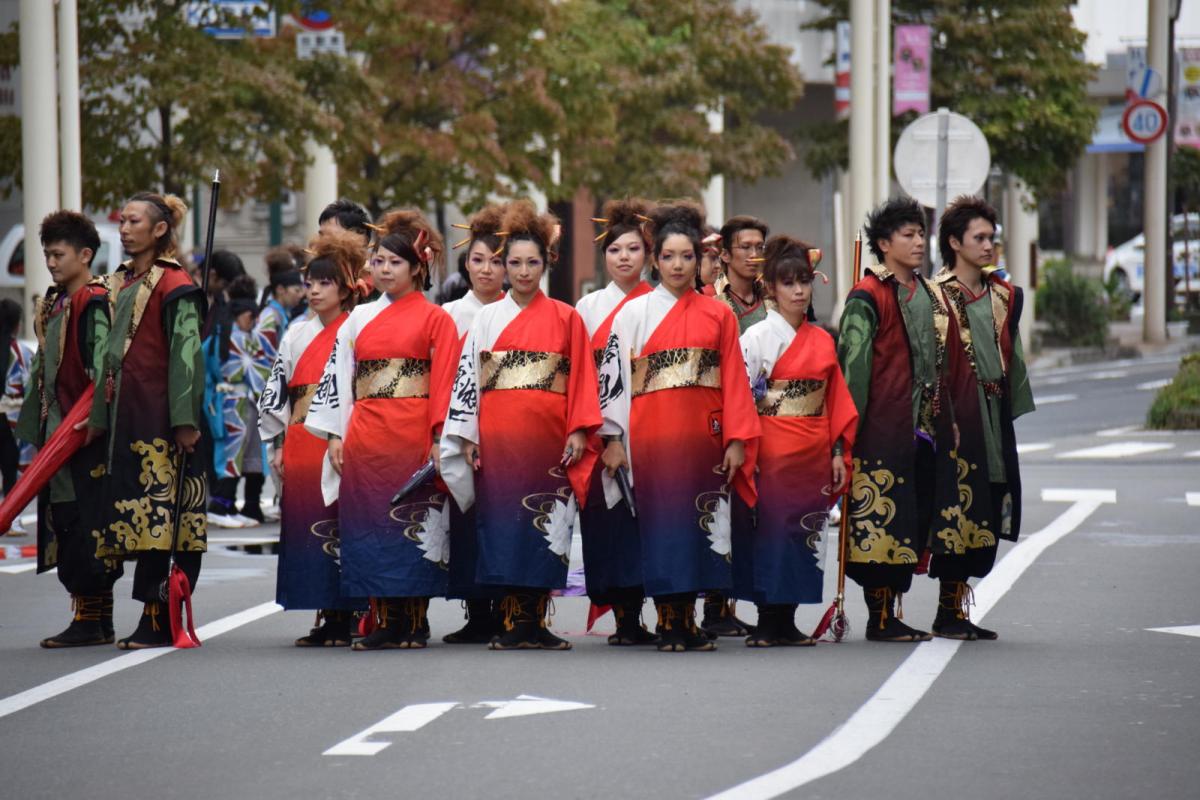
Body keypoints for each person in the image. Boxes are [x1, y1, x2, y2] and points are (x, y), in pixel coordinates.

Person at [596, 201, 760, 652]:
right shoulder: (632, 315)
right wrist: (612, 438)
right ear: (655, 260)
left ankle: (689, 618)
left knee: (700, 524)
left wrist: (737, 438)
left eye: (687, 256)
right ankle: (669, 621)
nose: (677, 265)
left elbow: (734, 381)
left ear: (699, 261)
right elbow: (612, 382)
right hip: (652, 438)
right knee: (664, 526)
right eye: (668, 256)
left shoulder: (718, 314)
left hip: (704, 440)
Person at [441, 199, 601, 651]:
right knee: (505, 525)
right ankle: (513, 620)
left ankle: (535, 620)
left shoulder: (567, 318)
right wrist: (467, 435)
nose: (524, 271)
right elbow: (467, 381)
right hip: (500, 440)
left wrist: (577, 429)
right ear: (504, 265)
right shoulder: (487, 318)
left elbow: (582, 381)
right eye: (515, 262)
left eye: (533, 262)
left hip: (550, 441)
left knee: (547, 524)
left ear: (547, 263)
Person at [306, 210, 458, 650]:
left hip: (413, 435)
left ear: (416, 268)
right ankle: (386, 620)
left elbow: (445, 382)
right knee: (371, 525)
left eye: (395, 262)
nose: (385, 269)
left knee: (412, 524)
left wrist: (437, 438)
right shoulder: (357, 320)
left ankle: (413, 621)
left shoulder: (437, 320)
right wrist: (336, 434)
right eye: (379, 261)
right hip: (367, 434)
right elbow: (338, 380)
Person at [836, 196, 963, 643]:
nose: (917, 243)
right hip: (882, 429)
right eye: (907, 235)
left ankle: (894, 611)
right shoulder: (866, 296)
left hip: (924, 428)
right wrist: (846, 435)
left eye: (919, 234)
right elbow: (853, 368)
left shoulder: (930, 294)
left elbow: (943, 362)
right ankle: (880, 616)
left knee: (912, 520)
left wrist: (946, 417)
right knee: (880, 522)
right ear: (884, 243)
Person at [93, 191, 207, 649]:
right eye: (122, 220)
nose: (124, 228)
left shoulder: (176, 285)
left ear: (159, 229)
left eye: (134, 221)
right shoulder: (119, 283)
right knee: (138, 520)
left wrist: (184, 420)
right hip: (130, 416)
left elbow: (187, 355)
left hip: (165, 419)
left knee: (167, 520)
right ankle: (141, 614)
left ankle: (160, 616)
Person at [735, 236, 857, 647]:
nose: (799, 291)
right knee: (770, 532)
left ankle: (786, 618)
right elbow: (739, 396)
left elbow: (837, 401)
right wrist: (745, 447)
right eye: (788, 283)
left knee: (806, 531)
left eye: (804, 281)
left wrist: (839, 451)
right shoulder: (755, 338)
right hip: (770, 449)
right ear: (770, 287)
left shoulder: (823, 339)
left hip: (812, 450)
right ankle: (768, 619)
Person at [930, 195, 1034, 640]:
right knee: (957, 506)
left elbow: (1010, 354)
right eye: (979, 238)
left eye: (992, 237)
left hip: (991, 412)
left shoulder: (1004, 294)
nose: (989, 245)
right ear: (955, 242)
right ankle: (947, 611)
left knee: (991, 501)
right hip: (957, 411)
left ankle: (957, 607)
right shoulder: (934, 298)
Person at [15, 211, 119, 647]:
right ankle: (94, 616)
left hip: (80, 435)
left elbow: (104, 370)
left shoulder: (92, 302)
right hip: (58, 432)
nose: (52, 263)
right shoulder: (58, 302)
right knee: (67, 520)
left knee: (82, 525)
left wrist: (92, 421)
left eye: (58, 254)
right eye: (47, 255)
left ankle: (91, 619)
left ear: (85, 255)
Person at [259, 228, 366, 646]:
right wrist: (279, 442)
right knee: (312, 525)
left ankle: (353, 612)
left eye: (326, 283)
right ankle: (327, 616)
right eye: (311, 282)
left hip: (340, 438)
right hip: (302, 436)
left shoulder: (356, 329)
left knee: (344, 525)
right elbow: (279, 390)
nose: (315, 290)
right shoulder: (295, 334)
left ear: (345, 289)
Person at [576, 198, 655, 645]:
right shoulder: (587, 309)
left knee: (654, 521)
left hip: (653, 427)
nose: (623, 257)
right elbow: (582, 379)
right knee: (613, 525)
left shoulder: (661, 304)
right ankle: (626, 617)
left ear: (648, 254)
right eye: (614, 249)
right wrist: (606, 434)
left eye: (632, 248)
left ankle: (666, 610)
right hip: (603, 436)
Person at [438, 204, 508, 644]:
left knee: (505, 517)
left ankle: (512, 604)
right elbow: (444, 380)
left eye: (496, 260)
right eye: (478, 260)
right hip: (464, 429)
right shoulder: (449, 315)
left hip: (509, 433)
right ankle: (476, 610)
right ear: (466, 263)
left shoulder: (519, 312)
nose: (486, 269)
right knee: (466, 518)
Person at [702, 214, 770, 636]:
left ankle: (752, 601)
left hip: (770, 419)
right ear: (724, 254)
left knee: (757, 513)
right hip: (721, 418)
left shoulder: (775, 299)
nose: (753, 255)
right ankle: (714, 605)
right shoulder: (709, 301)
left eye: (759, 246)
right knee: (719, 510)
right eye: (744, 247)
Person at [203, 276, 269, 527]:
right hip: (234, 402)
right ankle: (222, 505)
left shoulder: (224, 334)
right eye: (251, 317)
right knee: (232, 456)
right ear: (242, 314)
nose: (253, 322)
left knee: (242, 456)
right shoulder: (234, 337)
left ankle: (234, 506)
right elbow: (259, 369)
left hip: (239, 401)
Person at [0, 299, 35, 495]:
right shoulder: (22, 353)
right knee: (11, 480)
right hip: (11, 424)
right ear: (17, 324)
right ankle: (10, 522)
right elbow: (31, 390)